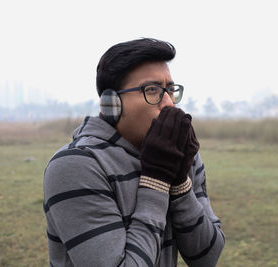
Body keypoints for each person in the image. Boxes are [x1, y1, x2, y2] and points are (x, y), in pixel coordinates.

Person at [43, 38, 225, 267]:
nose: (169, 104)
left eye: (170, 90)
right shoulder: (76, 166)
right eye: (152, 90)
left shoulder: (178, 155)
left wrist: (179, 183)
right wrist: (157, 180)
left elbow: (207, 258)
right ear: (111, 104)